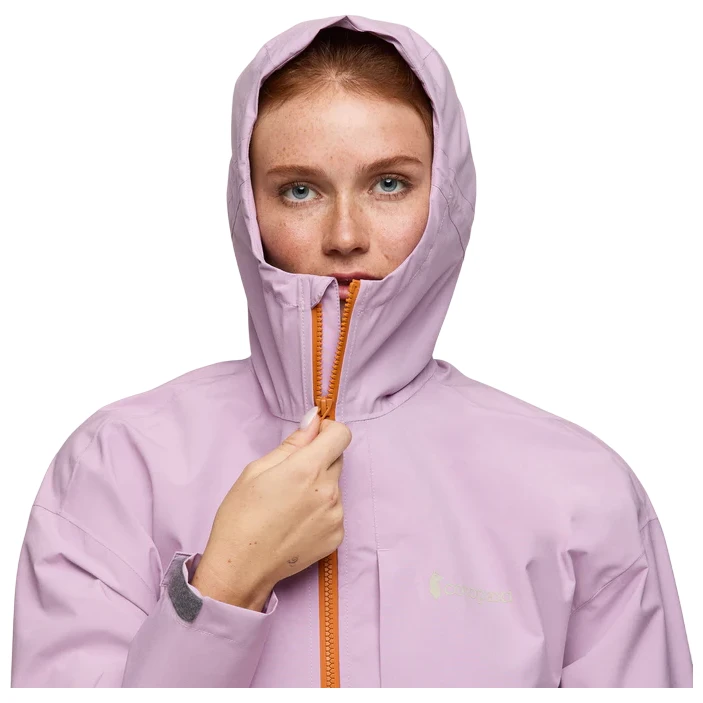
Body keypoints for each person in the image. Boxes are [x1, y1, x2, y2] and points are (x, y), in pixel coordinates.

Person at [11, 13, 692, 689]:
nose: (344, 235)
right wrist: (222, 584)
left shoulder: (579, 490)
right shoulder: (118, 465)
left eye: (389, 183)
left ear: (445, 197)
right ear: (249, 208)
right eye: (299, 190)